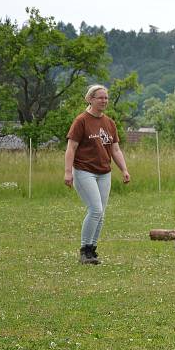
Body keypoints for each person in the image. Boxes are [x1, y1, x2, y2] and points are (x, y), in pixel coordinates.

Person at [64, 84, 131, 265]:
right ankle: (84, 250)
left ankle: (92, 250)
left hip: (104, 173)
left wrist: (124, 169)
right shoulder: (81, 121)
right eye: (100, 97)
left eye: (106, 98)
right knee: (95, 209)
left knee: (101, 214)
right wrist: (68, 172)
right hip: (84, 171)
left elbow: (115, 149)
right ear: (90, 99)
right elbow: (71, 148)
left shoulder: (109, 123)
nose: (104, 101)